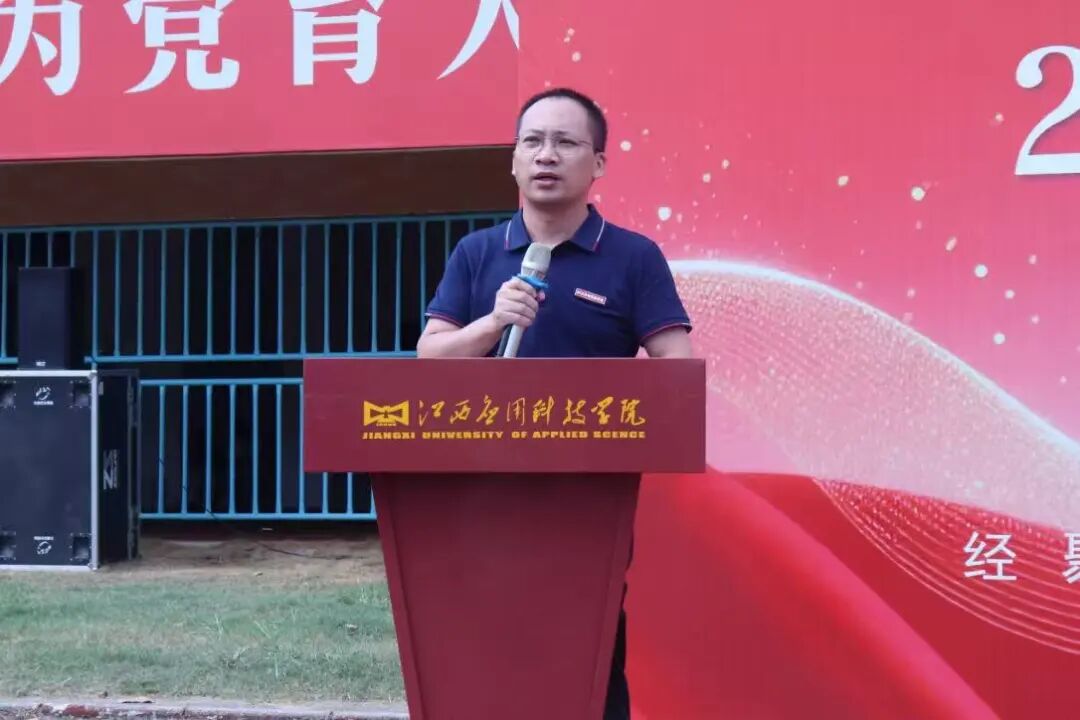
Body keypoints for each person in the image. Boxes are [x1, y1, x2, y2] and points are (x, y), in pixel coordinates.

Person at [416, 87, 693, 719]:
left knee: (588, 644)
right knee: (486, 643)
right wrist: (492, 324)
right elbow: (430, 359)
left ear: (598, 164)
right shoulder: (477, 253)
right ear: (513, 160)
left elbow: (677, 370)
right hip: (482, 491)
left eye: (566, 143)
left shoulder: (634, 257)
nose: (547, 156)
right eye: (533, 142)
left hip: (589, 497)